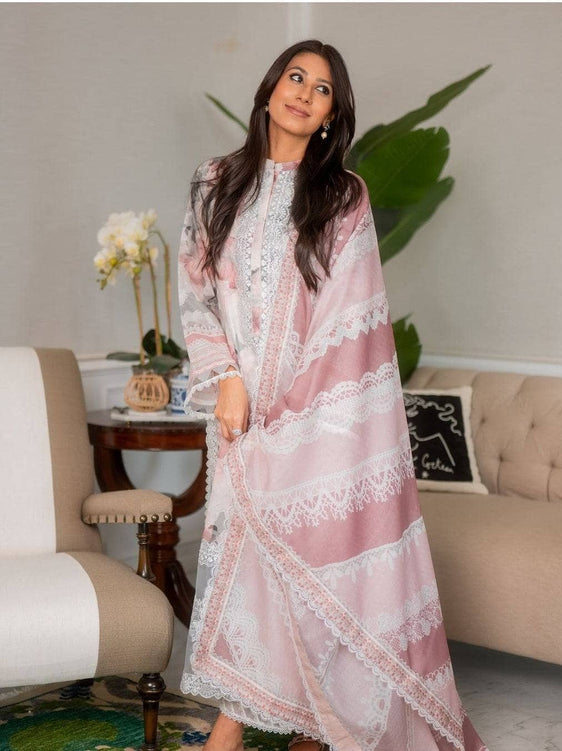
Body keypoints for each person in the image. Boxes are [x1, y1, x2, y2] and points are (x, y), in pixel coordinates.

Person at [178, 39, 488, 751]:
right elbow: (196, 291)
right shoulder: (214, 181)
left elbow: (351, 317)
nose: (304, 94)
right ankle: (270, 724)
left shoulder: (343, 197)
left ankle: (264, 730)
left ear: (329, 117)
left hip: (319, 419)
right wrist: (227, 377)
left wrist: (292, 412)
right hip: (236, 409)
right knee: (249, 563)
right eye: (296, 77)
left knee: (311, 566)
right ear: (269, 89)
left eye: (322, 90)